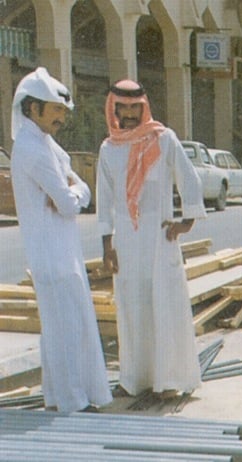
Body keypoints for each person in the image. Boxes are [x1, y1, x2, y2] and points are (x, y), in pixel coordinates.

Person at [10, 67, 112, 412]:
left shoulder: (44, 143)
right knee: (65, 330)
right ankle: (73, 402)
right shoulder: (32, 149)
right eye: (55, 111)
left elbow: (70, 189)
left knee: (63, 328)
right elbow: (69, 203)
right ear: (33, 108)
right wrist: (78, 190)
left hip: (61, 251)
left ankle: (59, 397)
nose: (61, 119)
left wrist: (74, 189)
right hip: (50, 255)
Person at [96, 79, 206, 398]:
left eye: (134, 107)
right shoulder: (108, 149)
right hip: (127, 245)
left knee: (164, 305)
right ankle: (134, 379)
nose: (128, 114)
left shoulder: (164, 139)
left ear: (143, 107)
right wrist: (107, 245)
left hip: (160, 239)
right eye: (122, 108)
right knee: (132, 308)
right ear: (114, 109)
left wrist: (186, 222)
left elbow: (188, 178)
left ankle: (168, 381)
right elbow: (104, 200)